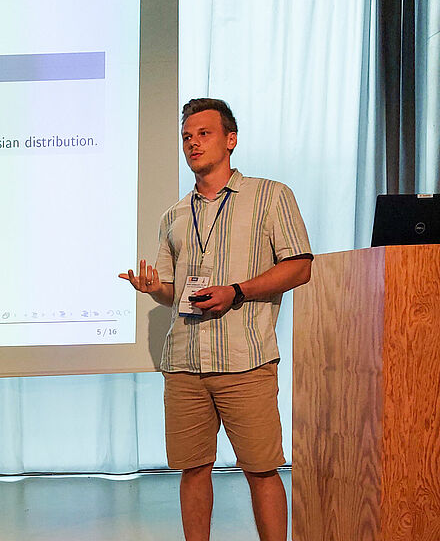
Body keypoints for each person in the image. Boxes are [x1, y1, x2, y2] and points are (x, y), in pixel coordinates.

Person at [122, 98, 312, 541]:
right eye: (186, 137)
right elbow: (173, 291)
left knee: (261, 469)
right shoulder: (174, 215)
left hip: (245, 361)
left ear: (231, 140)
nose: (193, 143)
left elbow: (300, 266)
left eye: (203, 134)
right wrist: (154, 288)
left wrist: (237, 291)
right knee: (192, 469)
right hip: (185, 363)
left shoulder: (270, 196)